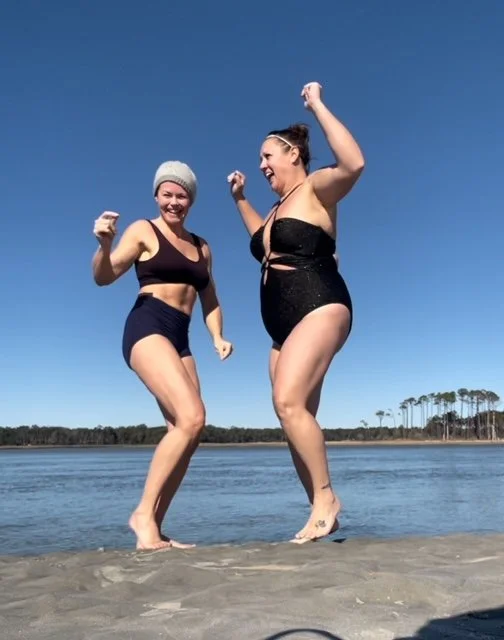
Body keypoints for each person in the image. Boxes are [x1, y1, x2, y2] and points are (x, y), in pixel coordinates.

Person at [227, 82, 364, 544]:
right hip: (281, 327)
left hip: (319, 302)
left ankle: (327, 499)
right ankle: (319, 511)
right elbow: (261, 239)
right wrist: (240, 199)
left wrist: (318, 105)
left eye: (267, 156)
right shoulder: (275, 210)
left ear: (293, 154)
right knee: (293, 416)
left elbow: (354, 164)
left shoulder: (316, 188)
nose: (262, 164)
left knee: (288, 401)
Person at [92, 160, 233, 550]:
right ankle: (142, 514)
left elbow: (210, 298)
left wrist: (217, 336)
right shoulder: (144, 229)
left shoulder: (202, 247)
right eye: (167, 194)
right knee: (192, 416)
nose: (174, 202)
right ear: (156, 196)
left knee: (188, 431)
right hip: (148, 325)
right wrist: (104, 246)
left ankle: (153, 528)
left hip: (181, 336)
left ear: (191, 200)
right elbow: (103, 276)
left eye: (182, 196)